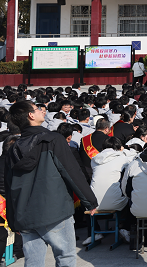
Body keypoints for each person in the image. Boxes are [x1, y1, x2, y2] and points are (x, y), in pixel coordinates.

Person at [5, 100, 98, 267]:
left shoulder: (13, 149)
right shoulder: (53, 139)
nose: (42, 110)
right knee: (65, 258)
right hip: (55, 211)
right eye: (36, 108)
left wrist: (12, 220)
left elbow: (9, 186)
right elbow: (71, 171)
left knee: (33, 262)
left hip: (24, 214)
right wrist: (89, 201)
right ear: (30, 115)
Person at [89, 137, 134, 244]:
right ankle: (125, 228)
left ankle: (96, 232)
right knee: (131, 196)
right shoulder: (123, 158)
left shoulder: (94, 160)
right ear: (118, 147)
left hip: (94, 203)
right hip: (116, 202)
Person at [79, 117, 111, 181]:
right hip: (102, 172)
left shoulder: (84, 139)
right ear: (106, 129)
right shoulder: (109, 140)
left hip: (86, 173)